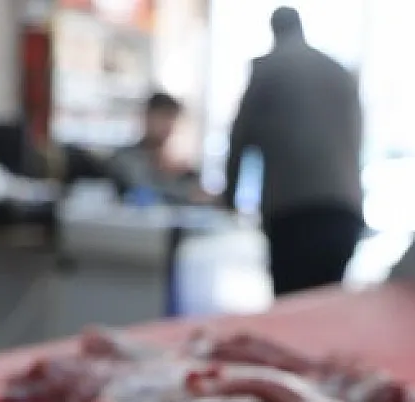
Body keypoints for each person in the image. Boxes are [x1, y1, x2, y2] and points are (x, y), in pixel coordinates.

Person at [223, 6, 365, 297]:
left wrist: (228, 199)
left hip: (294, 214)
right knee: (323, 309)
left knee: (290, 304)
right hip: (344, 213)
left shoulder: (268, 70)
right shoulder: (337, 71)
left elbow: (240, 136)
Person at [109, 91, 209, 205]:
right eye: (162, 116)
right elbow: (144, 191)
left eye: (171, 118)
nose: (166, 125)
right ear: (147, 117)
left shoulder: (179, 167)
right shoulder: (126, 158)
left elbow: (198, 194)